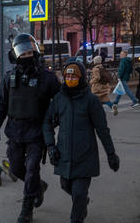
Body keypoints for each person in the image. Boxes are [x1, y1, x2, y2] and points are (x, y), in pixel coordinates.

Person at [0, 33, 61, 223]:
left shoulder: (47, 78)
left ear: (36, 51)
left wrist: (55, 124)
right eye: (23, 51)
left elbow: (62, 103)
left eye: (30, 51)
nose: (27, 55)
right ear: (15, 54)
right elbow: (0, 105)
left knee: (31, 170)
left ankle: (27, 208)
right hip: (15, 131)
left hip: (37, 133)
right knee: (16, 168)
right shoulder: (9, 78)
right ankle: (39, 186)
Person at [43, 62, 120, 223]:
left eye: (73, 76)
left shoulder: (91, 100)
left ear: (81, 78)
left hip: (85, 155)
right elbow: (47, 123)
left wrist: (111, 154)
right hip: (63, 153)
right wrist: (50, 146)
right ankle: (82, 201)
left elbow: (102, 129)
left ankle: (77, 216)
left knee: (78, 192)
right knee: (65, 185)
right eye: (67, 76)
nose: (70, 79)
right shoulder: (59, 99)